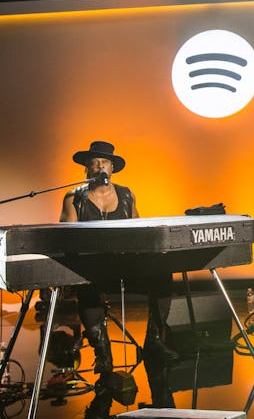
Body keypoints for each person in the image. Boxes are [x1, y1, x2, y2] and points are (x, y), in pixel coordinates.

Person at [59, 140, 178, 375]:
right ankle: (102, 353)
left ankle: (154, 341)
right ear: (87, 168)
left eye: (104, 162)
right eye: (94, 163)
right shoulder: (74, 197)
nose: (100, 167)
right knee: (87, 288)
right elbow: (67, 237)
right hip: (93, 269)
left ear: (112, 168)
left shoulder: (126, 195)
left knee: (163, 276)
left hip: (125, 266)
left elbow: (138, 231)